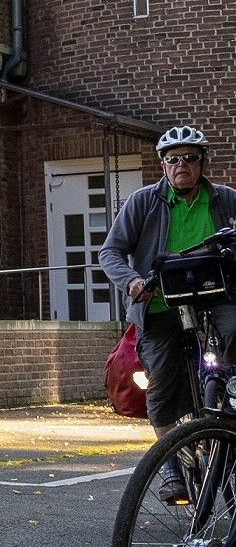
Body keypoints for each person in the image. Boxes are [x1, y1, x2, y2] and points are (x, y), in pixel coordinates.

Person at [99, 125, 236, 503]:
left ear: (203, 162)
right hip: (159, 304)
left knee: (234, 331)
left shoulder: (224, 200)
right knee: (159, 381)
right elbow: (110, 252)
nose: (182, 166)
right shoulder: (144, 202)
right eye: (173, 159)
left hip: (215, 297)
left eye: (190, 158)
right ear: (162, 165)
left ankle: (228, 400)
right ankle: (172, 465)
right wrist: (131, 281)